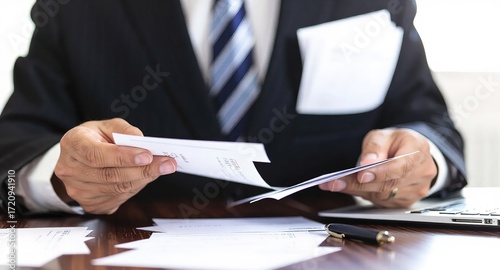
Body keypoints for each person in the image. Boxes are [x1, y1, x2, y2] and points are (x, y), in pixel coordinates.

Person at [0, 0, 466, 215]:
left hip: (339, 260)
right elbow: (14, 149)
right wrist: (62, 177)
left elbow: (432, 124)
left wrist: (424, 161)